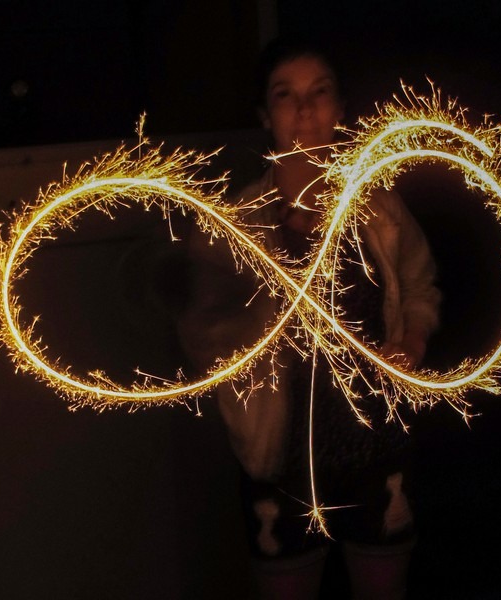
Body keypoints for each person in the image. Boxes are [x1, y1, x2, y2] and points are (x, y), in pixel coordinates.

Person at [178, 35, 441, 600]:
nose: (304, 109)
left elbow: (420, 283)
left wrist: (413, 342)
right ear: (264, 116)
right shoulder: (232, 227)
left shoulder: (379, 205)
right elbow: (203, 333)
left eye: (319, 92)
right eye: (285, 95)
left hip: (377, 454)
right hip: (278, 463)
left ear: (340, 109)